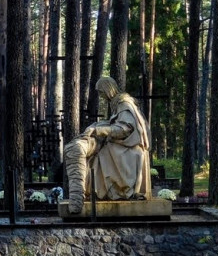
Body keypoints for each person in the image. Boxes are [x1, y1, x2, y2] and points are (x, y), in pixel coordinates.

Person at [63, 76, 152, 214]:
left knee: (100, 154)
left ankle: (106, 190)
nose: (101, 96)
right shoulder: (118, 103)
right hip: (123, 146)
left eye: (101, 92)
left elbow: (125, 129)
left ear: (108, 89)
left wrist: (100, 130)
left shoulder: (125, 104)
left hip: (128, 150)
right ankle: (89, 191)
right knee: (95, 152)